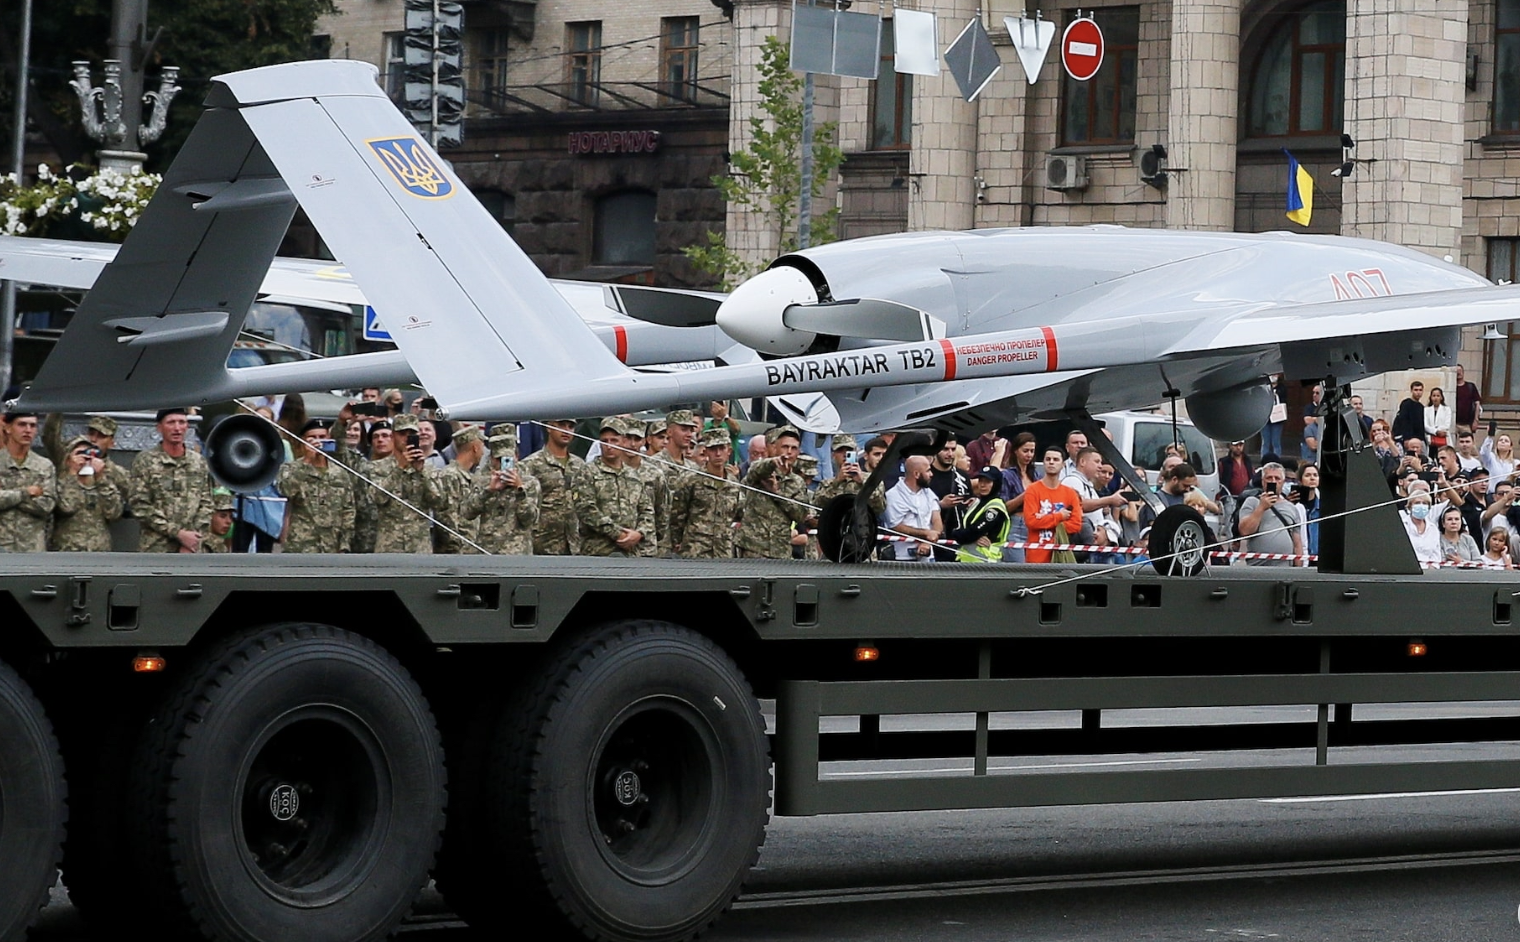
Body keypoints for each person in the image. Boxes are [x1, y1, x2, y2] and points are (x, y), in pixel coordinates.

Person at [130, 407, 212, 553]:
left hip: (191, 548)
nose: (177, 428)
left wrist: (191, 539)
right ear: (159, 427)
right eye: (171, 422)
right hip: (156, 547)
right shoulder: (145, 461)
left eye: (181, 422)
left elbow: (207, 503)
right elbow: (139, 505)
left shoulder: (198, 462)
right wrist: (177, 533)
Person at [575, 418, 654, 557]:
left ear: (624, 441)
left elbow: (646, 510)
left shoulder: (633, 475)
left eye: (614, 440)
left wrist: (639, 533)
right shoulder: (587, 472)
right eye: (605, 441)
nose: (609, 446)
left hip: (631, 552)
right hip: (598, 551)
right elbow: (586, 510)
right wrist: (618, 534)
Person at [369, 413, 445, 554]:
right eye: (402, 434)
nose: (406, 438)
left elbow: (439, 501)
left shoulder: (428, 468)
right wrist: (399, 469)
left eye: (411, 434)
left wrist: (422, 472)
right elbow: (377, 498)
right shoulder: (378, 467)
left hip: (419, 546)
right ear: (393, 436)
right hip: (389, 544)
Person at [277, 419, 355, 553]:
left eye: (322, 437)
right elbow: (286, 490)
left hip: (331, 545)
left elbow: (348, 511)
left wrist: (344, 545)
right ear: (303, 441)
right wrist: (307, 461)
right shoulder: (291, 468)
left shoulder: (339, 473)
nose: (318, 441)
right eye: (312, 437)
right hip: (301, 545)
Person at [463, 431, 541, 555]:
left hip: (518, 552)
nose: (503, 465)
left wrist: (519, 490)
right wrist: (488, 491)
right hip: (487, 551)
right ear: (491, 459)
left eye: (508, 460)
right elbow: (467, 513)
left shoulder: (529, 483)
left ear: (516, 457)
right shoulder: (482, 481)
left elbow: (529, 520)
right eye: (499, 460)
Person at [521, 418, 590, 555]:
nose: (566, 430)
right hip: (541, 545)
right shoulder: (530, 464)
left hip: (574, 545)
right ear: (549, 427)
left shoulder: (580, 465)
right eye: (561, 425)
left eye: (570, 426)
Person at [670, 428, 740, 559]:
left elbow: (738, 514)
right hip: (695, 549)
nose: (718, 454)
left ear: (729, 451)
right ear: (706, 451)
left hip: (723, 551)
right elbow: (677, 515)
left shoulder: (734, 484)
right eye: (713, 449)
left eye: (722, 448)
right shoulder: (690, 479)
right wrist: (677, 541)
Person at [50, 435, 121, 552]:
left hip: (99, 552)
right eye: (79, 453)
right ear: (68, 459)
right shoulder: (61, 482)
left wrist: (101, 478)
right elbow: (66, 507)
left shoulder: (102, 483)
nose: (86, 457)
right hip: (67, 552)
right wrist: (73, 472)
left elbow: (114, 513)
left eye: (89, 453)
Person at [738, 457, 812, 559]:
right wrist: (772, 463)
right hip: (753, 548)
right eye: (784, 448)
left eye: (793, 449)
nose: (788, 453)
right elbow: (754, 471)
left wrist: (777, 494)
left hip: (781, 549)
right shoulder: (760, 472)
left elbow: (800, 515)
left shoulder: (797, 482)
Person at [1024, 445, 1084, 564]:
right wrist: (1059, 517)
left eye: (1056, 459)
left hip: (1060, 556)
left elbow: (1076, 525)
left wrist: (1044, 519)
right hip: (1037, 556)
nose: (1051, 462)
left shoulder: (1070, 493)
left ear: (1063, 464)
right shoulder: (1032, 490)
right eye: (1048, 459)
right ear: (1043, 463)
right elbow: (1031, 521)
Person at [1235, 462, 1302, 567]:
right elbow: (1245, 531)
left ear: (1283, 482)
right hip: (1258, 566)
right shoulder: (1251, 502)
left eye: (1277, 478)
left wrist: (1298, 569)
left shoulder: (1291, 508)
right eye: (1269, 478)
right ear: (1263, 481)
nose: (1273, 481)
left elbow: (1297, 543)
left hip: (1284, 566)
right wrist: (1261, 508)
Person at [433, 424, 485, 554]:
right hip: (457, 553)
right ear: (475, 448)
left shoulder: (468, 476)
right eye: (482, 447)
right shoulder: (450, 475)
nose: (483, 452)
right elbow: (446, 517)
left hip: (469, 550)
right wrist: (457, 549)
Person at [883, 455, 942, 561]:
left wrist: (928, 542)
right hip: (902, 557)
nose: (931, 474)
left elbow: (937, 520)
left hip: (928, 556)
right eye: (928, 471)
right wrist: (926, 533)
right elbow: (896, 526)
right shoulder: (893, 495)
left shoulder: (929, 493)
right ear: (916, 474)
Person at [950, 467, 1012, 563]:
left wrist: (957, 534)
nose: (982, 485)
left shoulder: (995, 507)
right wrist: (960, 533)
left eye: (987, 482)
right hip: (967, 560)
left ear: (996, 483)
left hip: (985, 561)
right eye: (980, 481)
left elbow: (974, 532)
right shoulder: (977, 503)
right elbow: (965, 529)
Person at [1400, 489, 1441, 564]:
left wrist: (1432, 567)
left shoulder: (1433, 529)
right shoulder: (1402, 526)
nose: (1421, 505)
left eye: (1424, 503)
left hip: (1429, 569)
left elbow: (1436, 555)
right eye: (1417, 503)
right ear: (1410, 506)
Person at [1481, 422, 1516, 494]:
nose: (1503, 442)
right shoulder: (1491, 458)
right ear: (1496, 445)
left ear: (1510, 447)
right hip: (1492, 494)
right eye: (1500, 440)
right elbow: (1484, 452)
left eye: (1506, 441)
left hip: (1508, 494)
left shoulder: (1515, 463)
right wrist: (1490, 436)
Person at [201, 488, 236, 553]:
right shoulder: (196, 542)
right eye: (223, 516)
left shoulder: (220, 545)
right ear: (210, 516)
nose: (229, 521)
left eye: (231, 517)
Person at [1391, 380, 1425, 445]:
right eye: (1416, 390)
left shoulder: (1421, 407)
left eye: (1420, 390)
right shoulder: (1406, 404)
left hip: (1418, 438)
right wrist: (1406, 438)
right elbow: (1404, 421)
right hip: (1407, 438)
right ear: (1411, 391)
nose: (1418, 392)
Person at [1455, 363, 1482, 432]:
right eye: (1456, 371)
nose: (1458, 373)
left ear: (1463, 372)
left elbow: (1477, 404)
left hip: (1467, 424)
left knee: (1467, 438)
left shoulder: (1470, 387)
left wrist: (1476, 420)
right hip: (1453, 424)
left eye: (1460, 371)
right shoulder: (1451, 388)